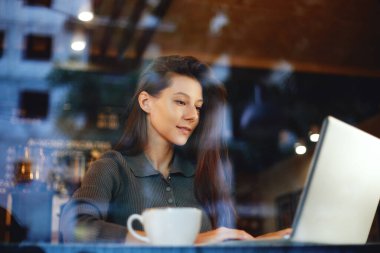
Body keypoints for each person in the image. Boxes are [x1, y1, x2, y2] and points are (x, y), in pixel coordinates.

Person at [59, 55, 290, 244]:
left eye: (198, 107)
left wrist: (260, 243)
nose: (192, 116)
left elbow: (213, 244)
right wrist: (177, 242)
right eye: (180, 102)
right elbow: (75, 226)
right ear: (146, 102)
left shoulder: (199, 174)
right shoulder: (113, 167)